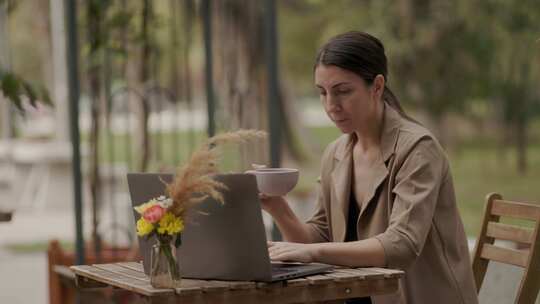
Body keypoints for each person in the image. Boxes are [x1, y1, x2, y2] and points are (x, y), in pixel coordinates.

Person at [261, 31, 478, 304]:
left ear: (376, 86)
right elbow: (317, 237)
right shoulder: (336, 153)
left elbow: (402, 244)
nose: (331, 106)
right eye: (322, 93)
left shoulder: (417, 149)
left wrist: (314, 253)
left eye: (343, 91)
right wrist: (276, 206)